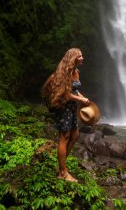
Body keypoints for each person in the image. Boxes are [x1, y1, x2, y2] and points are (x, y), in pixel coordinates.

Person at [41, 48, 89, 182]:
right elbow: (65, 93)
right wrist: (80, 100)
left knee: (75, 135)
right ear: (73, 58)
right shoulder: (64, 73)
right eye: (80, 56)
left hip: (72, 108)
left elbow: (74, 90)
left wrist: (83, 97)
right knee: (64, 137)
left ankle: (61, 165)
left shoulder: (76, 72)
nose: (82, 58)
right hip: (63, 107)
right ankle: (62, 172)